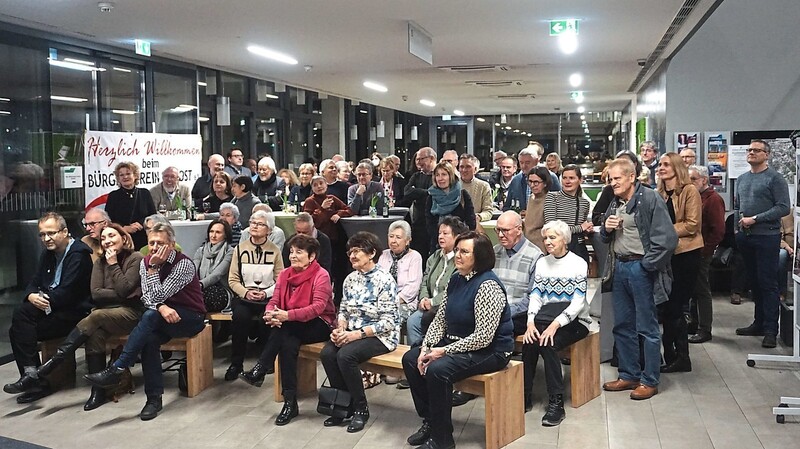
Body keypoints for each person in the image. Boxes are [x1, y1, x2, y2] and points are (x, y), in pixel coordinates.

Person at [85, 222, 207, 421]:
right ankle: (153, 399)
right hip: (162, 318)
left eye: (160, 243)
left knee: (150, 315)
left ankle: (118, 368)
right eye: (151, 243)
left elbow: (158, 294)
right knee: (149, 339)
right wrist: (161, 306)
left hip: (190, 317)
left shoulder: (183, 263)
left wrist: (153, 272)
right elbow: (146, 298)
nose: (155, 247)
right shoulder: (146, 261)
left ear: (172, 244)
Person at [402, 231, 513, 449]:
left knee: (437, 370)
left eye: (464, 252)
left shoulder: (487, 285)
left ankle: (442, 440)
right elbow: (440, 320)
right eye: (457, 251)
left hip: (491, 350)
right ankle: (431, 422)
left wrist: (442, 352)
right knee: (410, 358)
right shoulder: (456, 279)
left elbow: (483, 337)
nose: (458, 256)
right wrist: (426, 347)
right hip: (457, 343)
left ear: (479, 257)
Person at [24, 224, 143, 409]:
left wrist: (113, 266)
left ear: (123, 238)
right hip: (105, 314)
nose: (107, 241)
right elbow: (95, 294)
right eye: (103, 238)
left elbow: (125, 289)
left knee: (96, 317)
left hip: (131, 314)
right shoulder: (99, 262)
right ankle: (98, 391)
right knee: (94, 333)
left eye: (112, 236)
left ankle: (55, 361)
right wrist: (117, 291)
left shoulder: (136, 258)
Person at [600, 158, 677, 400]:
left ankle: (649, 380)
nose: (612, 183)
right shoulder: (615, 202)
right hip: (620, 268)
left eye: (617, 179)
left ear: (632, 177)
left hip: (640, 268)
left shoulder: (650, 198)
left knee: (647, 327)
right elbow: (604, 236)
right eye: (610, 179)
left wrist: (647, 265)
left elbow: (668, 239)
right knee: (622, 325)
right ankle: (629, 374)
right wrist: (607, 228)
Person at [239, 235, 336, 426]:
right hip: (290, 324)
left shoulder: (321, 275)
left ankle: (261, 368)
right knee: (287, 344)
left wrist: (286, 316)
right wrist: (270, 314)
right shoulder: (285, 274)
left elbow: (317, 308)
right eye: (291, 251)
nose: (293, 256)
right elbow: (273, 301)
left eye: (299, 252)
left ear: (312, 256)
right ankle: (290, 402)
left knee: (286, 329)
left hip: (320, 323)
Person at [4, 213, 93, 403]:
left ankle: (34, 380)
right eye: (42, 235)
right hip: (52, 309)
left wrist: (39, 299)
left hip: (74, 313)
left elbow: (66, 294)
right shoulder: (48, 254)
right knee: (18, 329)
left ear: (65, 232)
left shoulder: (79, 254)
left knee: (20, 321)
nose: (46, 239)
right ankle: (33, 378)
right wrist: (30, 295)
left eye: (51, 233)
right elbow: (34, 281)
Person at [320, 232, 398, 433]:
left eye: (356, 251)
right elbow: (343, 308)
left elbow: (389, 322)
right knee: (328, 353)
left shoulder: (385, 280)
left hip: (380, 336)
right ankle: (343, 405)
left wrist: (356, 335)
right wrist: (341, 328)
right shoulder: (350, 279)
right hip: (352, 332)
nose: (351, 256)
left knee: (346, 356)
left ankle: (361, 409)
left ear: (372, 253)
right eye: (349, 252)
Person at [522, 220, 591, 424]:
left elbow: (578, 303)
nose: (548, 242)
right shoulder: (542, 263)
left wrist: (555, 325)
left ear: (565, 239)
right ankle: (524, 396)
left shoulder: (578, 263)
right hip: (544, 319)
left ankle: (556, 402)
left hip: (577, 321)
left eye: (553, 237)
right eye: (545, 238)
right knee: (530, 341)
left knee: (548, 342)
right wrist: (530, 322)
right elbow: (536, 296)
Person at [734, 139, 791, 348]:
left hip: (767, 236)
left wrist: (756, 219)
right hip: (746, 236)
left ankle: (770, 330)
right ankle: (758, 323)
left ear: (766, 155)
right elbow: (738, 206)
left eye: (756, 150)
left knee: (768, 283)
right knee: (754, 282)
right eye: (749, 150)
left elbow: (784, 207)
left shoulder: (775, 179)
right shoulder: (741, 179)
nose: (751, 153)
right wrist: (738, 229)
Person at [656, 152, 703, 373]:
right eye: (660, 165)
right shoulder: (659, 194)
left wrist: (662, 233)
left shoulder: (689, 191)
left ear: (676, 167)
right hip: (666, 256)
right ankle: (672, 354)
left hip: (687, 254)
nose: (661, 168)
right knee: (666, 308)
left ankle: (682, 357)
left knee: (676, 306)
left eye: (666, 164)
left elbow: (692, 225)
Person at [224, 210, 284, 381]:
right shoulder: (240, 249)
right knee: (240, 317)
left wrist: (266, 293)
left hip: (268, 296)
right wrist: (246, 292)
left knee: (269, 317)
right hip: (244, 296)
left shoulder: (275, 251)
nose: (255, 226)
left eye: (260, 224)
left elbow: (280, 279)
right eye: (252, 223)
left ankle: (264, 364)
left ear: (269, 230)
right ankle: (236, 363)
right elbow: (233, 279)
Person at [406, 217, 468, 349]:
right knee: (413, 321)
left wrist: (433, 302)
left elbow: (454, 289)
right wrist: (423, 299)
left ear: (457, 236)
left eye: (445, 233)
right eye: (439, 233)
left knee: (430, 321)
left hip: (446, 307)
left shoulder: (461, 260)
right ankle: (418, 353)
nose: (440, 236)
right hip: (428, 307)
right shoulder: (434, 257)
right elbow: (424, 281)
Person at [687, 165, 725, 344]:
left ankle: (705, 328)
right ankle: (694, 323)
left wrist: (705, 250)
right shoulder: (695, 198)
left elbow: (718, 230)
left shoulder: (713, 199)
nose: (690, 183)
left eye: (693, 179)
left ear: (704, 180)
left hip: (702, 251)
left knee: (702, 290)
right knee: (693, 289)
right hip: (692, 251)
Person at [544, 164, 593, 263]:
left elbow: (581, 230)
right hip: (558, 249)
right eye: (565, 178)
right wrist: (580, 228)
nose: (567, 181)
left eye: (571, 178)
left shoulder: (584, 203)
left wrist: (587, 229)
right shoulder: (552, 197)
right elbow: (552, 229)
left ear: (580, 180)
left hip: (579, 249)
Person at [425, 161, 476, 252]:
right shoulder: (431, 197)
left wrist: (457, 238)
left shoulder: (462, 195)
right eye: (437, 175)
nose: (440, 178)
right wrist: (443, 237)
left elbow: (471, 223)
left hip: (460, 245)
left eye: (444, 174)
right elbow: (429, 224)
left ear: (451, 176)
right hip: (438, 246)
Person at [377, 220, 423, 322]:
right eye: (391, 236)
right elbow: (376, 280)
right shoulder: (383, 255)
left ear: (407, 240)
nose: (393, 241)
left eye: (398, 237)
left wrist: (391, 302)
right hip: (381, 302)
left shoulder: (415, 257)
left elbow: (413, 287)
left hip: (405, 303)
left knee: (389, 319)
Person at [105, 161, 157, 249]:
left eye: (128, 173)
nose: (125, 177)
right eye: (121, 175)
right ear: (118, 178)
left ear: (135, 175)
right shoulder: (113, 196)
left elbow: (153, 216)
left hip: (143, 238)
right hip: (122, 239)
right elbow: (109, 219)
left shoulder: (145, 193)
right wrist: (123, 228)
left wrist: (140, 224)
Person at [400, 147, 436, 263]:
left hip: (434, 222)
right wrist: (426, 192)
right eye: (417, 159)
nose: (418, 162)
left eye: (422, 159)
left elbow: (435, 193)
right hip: (418, 223)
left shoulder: (438, 175)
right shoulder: (416, 176)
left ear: (431, 159)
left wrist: (417, 192)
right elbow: (407, 192)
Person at [192, 219, 234, 313]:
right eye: (211, 231)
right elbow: (193, 270)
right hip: (199, 288)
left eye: (218, 232)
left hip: (221, 289)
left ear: (225, 235)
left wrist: (200, 284)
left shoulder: (230, 251)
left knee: (199, 299)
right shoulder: (201, 250)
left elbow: (218, 274)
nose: (213, 235)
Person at [505, 144, 561, 212]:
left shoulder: (550, 177)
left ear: (536, 161)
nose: (524, 166)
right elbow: (507, 207)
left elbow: (559, 205)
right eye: (521, 162)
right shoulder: (516, 180)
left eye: (527, 162)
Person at [523, 166, 552, 253]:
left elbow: (550, 228)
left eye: (536, 182)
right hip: (526, 243)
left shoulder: (549, 199)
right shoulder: (531, 198)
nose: (532, 185)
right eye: (530, 181)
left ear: (545, 183)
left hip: (541, 247)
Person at [458, 154, 494, 223]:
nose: (464, 170)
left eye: (468, 167)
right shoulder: (452, 185)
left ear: (476, 169)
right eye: (461, 167)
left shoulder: (484, 186)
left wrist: (478, 217)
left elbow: (488, 211)